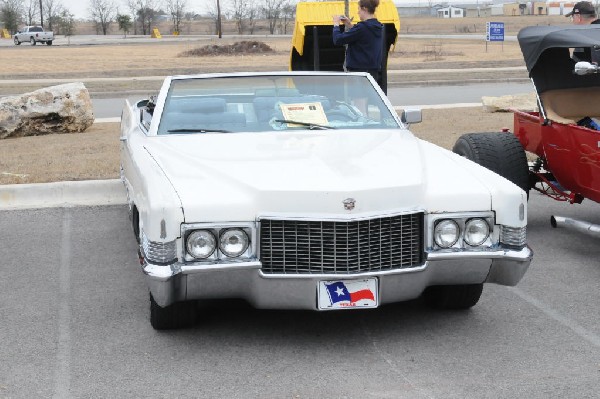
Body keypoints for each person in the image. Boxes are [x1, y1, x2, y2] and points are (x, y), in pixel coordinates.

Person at [332, 0, 385, 93]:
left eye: (359, 9)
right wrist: (349, 24)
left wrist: (336, 25)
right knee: (366, 101)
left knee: (359, 103)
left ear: (364, 9)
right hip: (373, 71)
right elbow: (363, 37)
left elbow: (338, 39)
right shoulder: (377, 26)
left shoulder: (362, 27)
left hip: (359, 72)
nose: (358, 12)